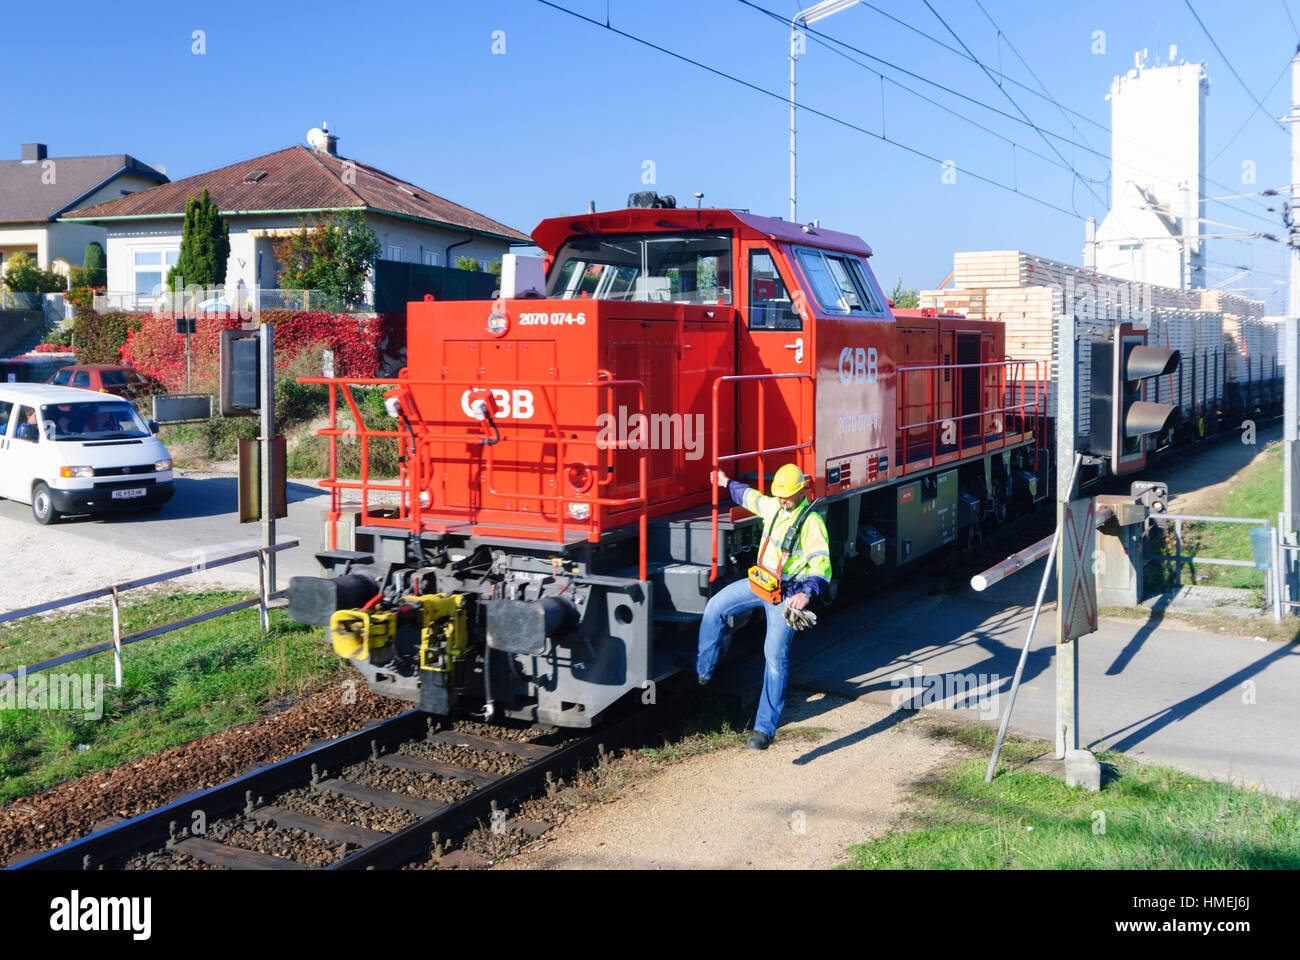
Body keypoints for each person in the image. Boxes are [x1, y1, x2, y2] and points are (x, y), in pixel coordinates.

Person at [697, 463, 832, 750]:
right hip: (759, 583)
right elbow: (747, 496)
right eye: (780, 495)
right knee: (714, 607)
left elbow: (822, 569)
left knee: (774, 658)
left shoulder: (812, 524)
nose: (783, 500)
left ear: (800, 491)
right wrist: (724, 482)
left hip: (785, 596)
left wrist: (806, 594)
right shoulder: (773, 507)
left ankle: (764, 730)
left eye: (787, 496)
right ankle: (703, 669)